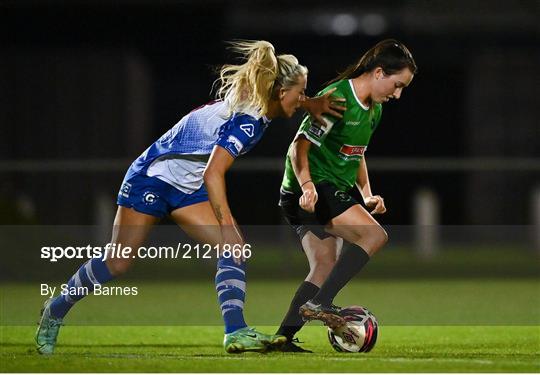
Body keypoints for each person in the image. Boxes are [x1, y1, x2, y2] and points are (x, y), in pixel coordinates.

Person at [35, 40, 345, 355]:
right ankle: (55, 310)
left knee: (234, 249)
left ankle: (236, 331)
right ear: (281, 92)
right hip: (151, 178)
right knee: (118, 262)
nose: (305, 99)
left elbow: (284, 98)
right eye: (301, 93)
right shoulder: (249, 121)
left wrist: (309, 104)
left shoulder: (262, 101)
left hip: (187, 186)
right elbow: (213, 173)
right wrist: (225, 223)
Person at [274, 39, 417, 352]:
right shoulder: (338, 97)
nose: (397, 94)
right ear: (379, 72)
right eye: (397, 85)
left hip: (322, 189)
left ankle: (283, 338)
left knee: (324, 265)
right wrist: (309, 186)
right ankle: (321, 303)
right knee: (374, 236)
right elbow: (300, 146)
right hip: (309, 187)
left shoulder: (374, 110)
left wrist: (366, 193)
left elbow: (356, 153)